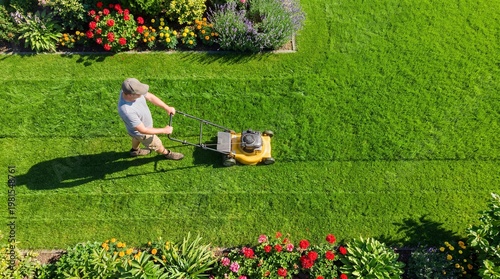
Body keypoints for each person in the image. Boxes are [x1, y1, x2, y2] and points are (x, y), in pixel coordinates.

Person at [117, 78, 184, 160]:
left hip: (135, 131)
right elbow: (143, 130)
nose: (142, 95)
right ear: (130, 95)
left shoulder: (129, 91)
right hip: (142, 134)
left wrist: (167, 107)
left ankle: (135, 151)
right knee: (156, 144)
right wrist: (164, 130)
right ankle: (167, 153)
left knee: (135, 138)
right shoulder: (127, 111)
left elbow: (150, 97)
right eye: (139, 94)